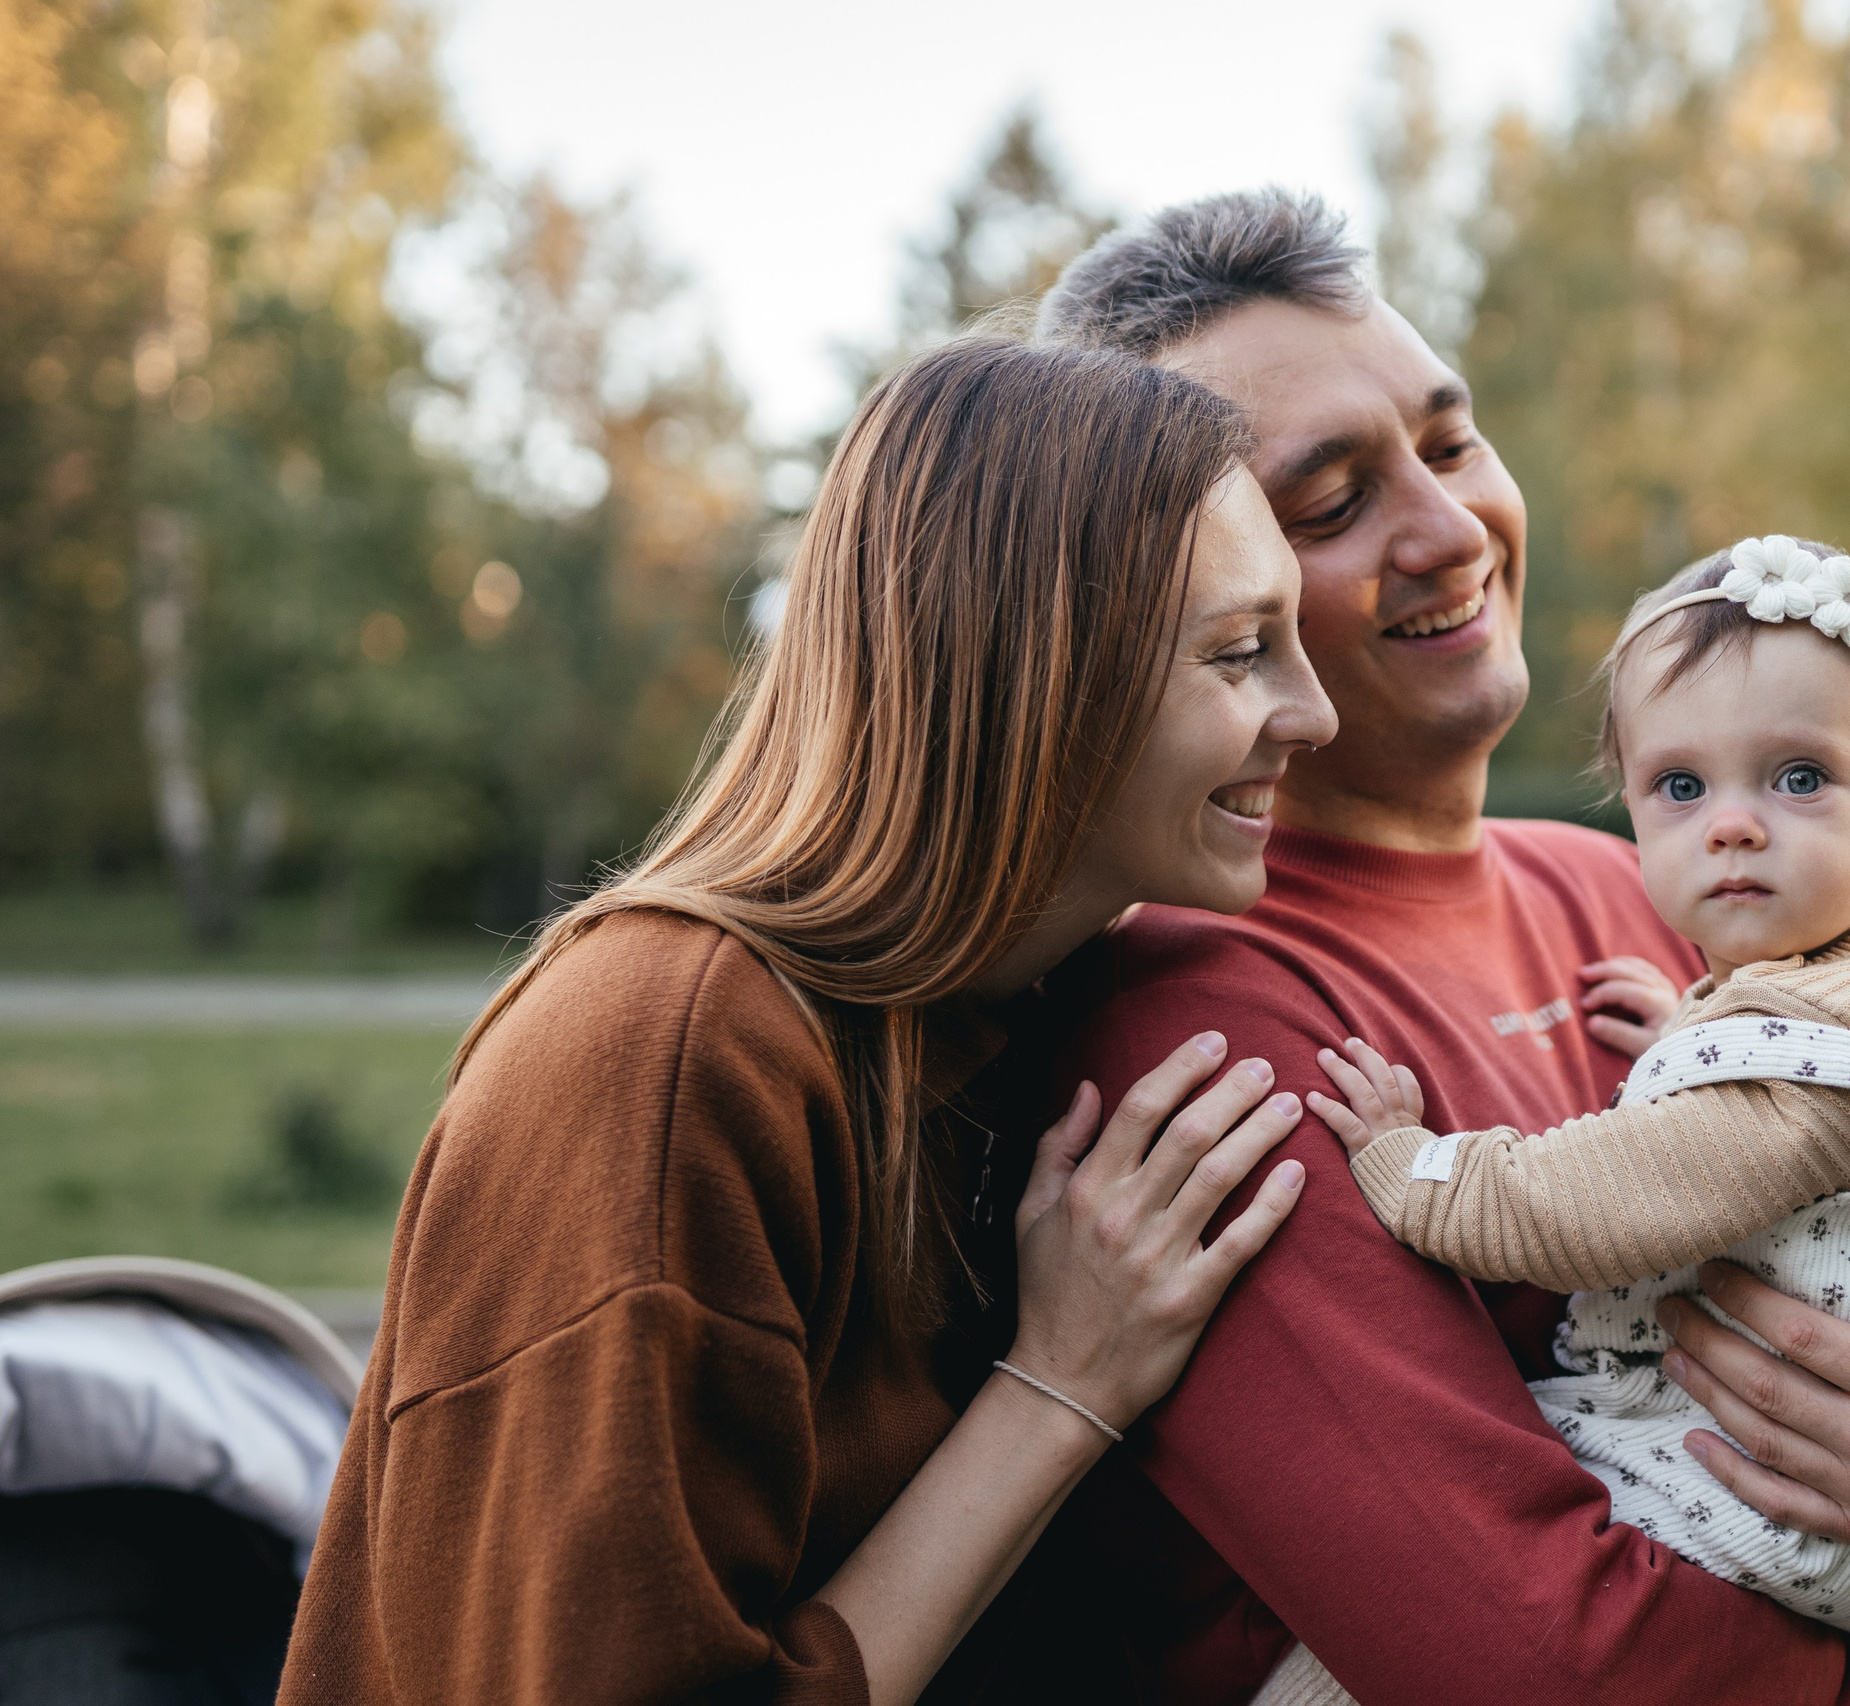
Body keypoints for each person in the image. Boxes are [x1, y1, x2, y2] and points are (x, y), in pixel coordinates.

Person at [1034, 192, 1850, 1705]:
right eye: (1330, 504)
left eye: (1451, 440)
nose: (1448, 528)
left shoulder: (1650, 889)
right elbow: (1550, 1669)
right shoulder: (1210, 1031)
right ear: (1196, 600)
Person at [279, 338, 1338, 1705]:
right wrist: (1062, 1383)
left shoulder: (1037, 1017)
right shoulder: (662, 1056)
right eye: (1242, 652)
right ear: (1036, 673)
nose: (1313, 711)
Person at [1305, 538, 1850, 1672]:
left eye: (1799, 777)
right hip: (1826, 1479)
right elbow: (1790, 1137)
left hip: (1769, 1489)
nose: (1731, 823)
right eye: (1679, 786)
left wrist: (1411, 1163)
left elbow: (1593, 1206)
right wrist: (1686, 1029)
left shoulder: (1821, 1063)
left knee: (1354, 1655)